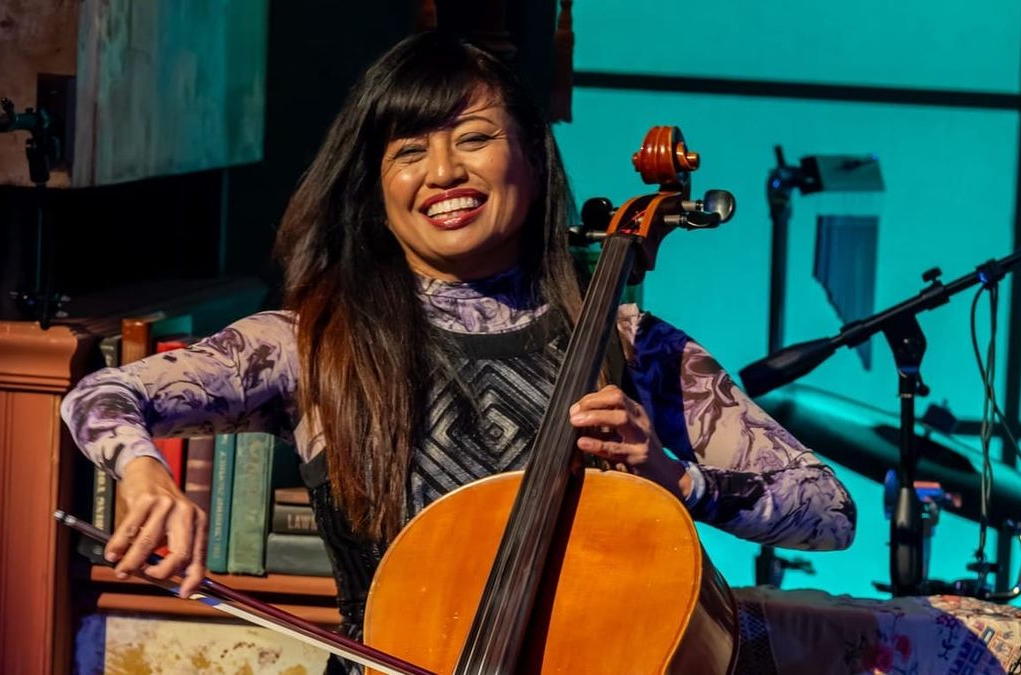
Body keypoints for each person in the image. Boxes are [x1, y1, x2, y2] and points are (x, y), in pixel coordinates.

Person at [61, 31, 856, 671]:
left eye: (474, 138)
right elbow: (102, 395)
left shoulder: (630, 344)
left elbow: (829, 511)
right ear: (376, 187)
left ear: (533, 161)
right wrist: (145, 474)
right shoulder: (310, 341)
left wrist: (675, 478)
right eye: (408, 150)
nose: (443, 172)